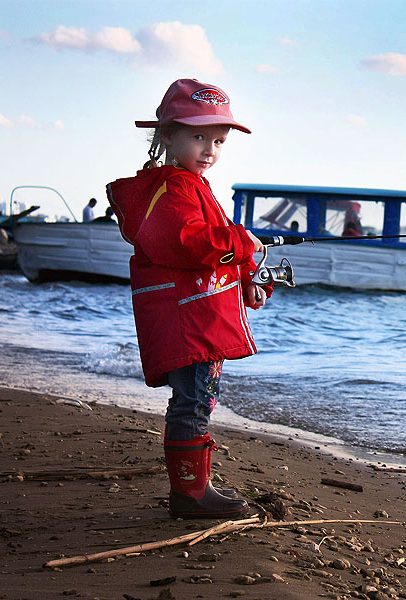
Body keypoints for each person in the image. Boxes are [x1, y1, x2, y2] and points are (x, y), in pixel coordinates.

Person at [106, 78, 270, 519]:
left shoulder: (193, 186)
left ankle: (194, 486)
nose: (209, 148)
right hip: (189, 321)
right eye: (198, 136)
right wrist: (243, 241)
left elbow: (210, 253)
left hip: (200, 316)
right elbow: (186, 242)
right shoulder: (173, 188)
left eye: (218, 139)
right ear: (166, 136)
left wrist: (248, 275)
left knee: (198, 398)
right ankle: (190, 493)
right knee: (194, 400)